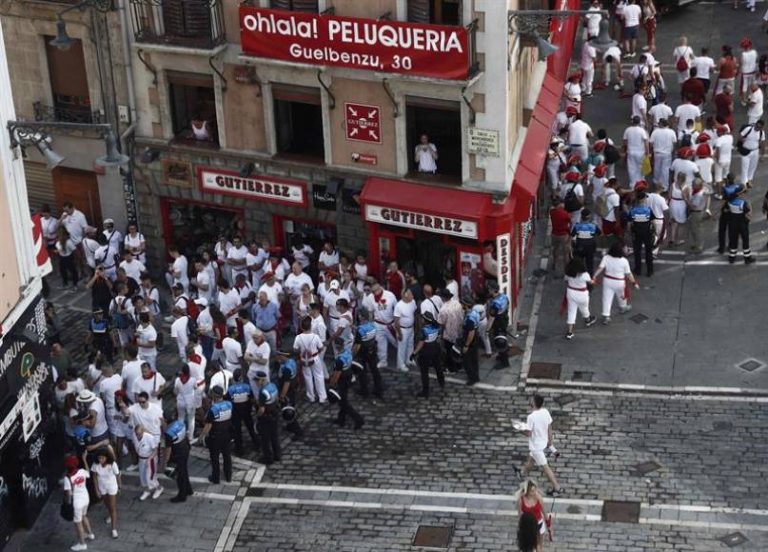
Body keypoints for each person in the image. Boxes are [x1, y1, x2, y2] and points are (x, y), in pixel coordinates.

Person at [513, 394, 564, 497]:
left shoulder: (531, 417)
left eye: (531, 400)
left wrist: (519, 429)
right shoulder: (545, 412)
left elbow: (529, 433)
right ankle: (522, 473)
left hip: (536, 447)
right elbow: (549, 427)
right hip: (543, 442)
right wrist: (550, 440)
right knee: (531, 459)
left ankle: (557, 488)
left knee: (546, 467)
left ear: (533, 403)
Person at [593, 242, 639, 323]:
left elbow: (600, 268)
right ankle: (623, 307)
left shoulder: (606, 257)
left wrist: (594, 276)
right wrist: (634, 283)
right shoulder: (624, 261)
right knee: (621, 296)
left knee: (606, 298)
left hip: (608, 281)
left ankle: (606, 316)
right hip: (619, 282)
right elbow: (628, 274)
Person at [198, 386, 233, 483]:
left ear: (214, 395)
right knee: (227, 456)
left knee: (215, 458)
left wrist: (201, 436)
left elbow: (208, 426)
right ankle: (228, 475)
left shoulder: (213, 410)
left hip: (215, 437)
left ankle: (216, 477)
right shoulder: (229, 404)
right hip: (227, 435)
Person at [362, 282, 398, 369]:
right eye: (374, 291)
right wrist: (370, 325)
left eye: (377, 289)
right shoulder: (370, 298)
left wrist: (397, 324)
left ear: (381, 287)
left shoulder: (390, 295)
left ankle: (407, 358)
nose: (376, 292)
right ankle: (383, 361)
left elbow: (397, 310)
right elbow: (370, 312)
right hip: (378, 324)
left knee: (397, 342)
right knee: (380, 344)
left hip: (390, 324)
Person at [63, 455, 94, 551]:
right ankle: (90, 534)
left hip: (77, 502)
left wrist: (67, 503)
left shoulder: (67, 478)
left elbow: (69, 494)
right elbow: (88, 473)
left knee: (78, 523)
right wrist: (84, 460)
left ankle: (82, 544)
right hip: (86, 498)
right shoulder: (82, 471)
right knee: (84, 516)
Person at [88, 448, 120, 539]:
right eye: (99, 458)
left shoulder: (112, 464)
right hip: (102, 487)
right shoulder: (95, 464)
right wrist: (96, 490)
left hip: (112, 486)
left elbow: (118, 475)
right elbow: (94, 477)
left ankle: (114, 529)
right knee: (107, 504)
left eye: (102, 458)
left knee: (113, 507)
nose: (100, 460)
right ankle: (110, 514)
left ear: (107, 457)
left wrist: (120, 486)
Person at [293, 316, 327, 402]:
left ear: (301, 327)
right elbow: (321, 348)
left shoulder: (298, 337)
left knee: (307, 377)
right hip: (315, 358)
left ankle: (311, 396)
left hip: (304, 359)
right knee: (319, 376)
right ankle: (322, 397)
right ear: (310, 326)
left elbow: (295, 349)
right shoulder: (315, 337)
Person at [329, 348, 365, 430]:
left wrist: (331, 385)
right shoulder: (347, 352)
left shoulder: (339, 360)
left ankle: (358, 420)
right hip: (348, 378)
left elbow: (336, 375)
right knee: (343, 401)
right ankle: (341, 419)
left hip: (342, 382)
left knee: (343, 403)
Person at [411, 310, 444, 398]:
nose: (421, 319)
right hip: (435, 349)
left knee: (424, 372)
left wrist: (414, 353)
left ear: (425, 320)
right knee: (438, 367)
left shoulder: (424, 330)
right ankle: (442, 383)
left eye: (422, 318)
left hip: (426, 352)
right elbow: (439, 337)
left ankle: (425, 391)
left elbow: (421, 343)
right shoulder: (437, 327)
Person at [227, 369, 259, 455]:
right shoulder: (247, 387)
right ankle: (257, 444)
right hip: (246, 410)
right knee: (250, 428)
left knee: (237, 430)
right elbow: (252, 399)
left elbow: (229, 402)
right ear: (241, 378)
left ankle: (239, 449)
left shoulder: (230, 389)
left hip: (236, 412)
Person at [562, 258, 595, 341]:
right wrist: (593, 281)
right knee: (584, 308)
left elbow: (565, 279)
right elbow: (591, 282)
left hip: (571, 293)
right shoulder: (585, 274)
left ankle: (570, 332)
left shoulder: (568, 273)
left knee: (571, 311)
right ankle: (587, 320)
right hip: (582, 294)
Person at [161, 418, 193, 503]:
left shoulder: (168, 433)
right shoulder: (180, 423)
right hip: (185, 448)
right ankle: (189, 489)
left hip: (178, 454)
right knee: (184, 470)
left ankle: (182, 495)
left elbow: (168, 449)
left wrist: (165, 462)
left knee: (180, 475)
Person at [132, 424, 163, 500]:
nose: (137, 436)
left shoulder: (149, 437)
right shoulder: (134, 436)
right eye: (136, 434)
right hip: (141, 459)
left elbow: (155, 449)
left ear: (143, 432)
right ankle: (147, 490)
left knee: (150, 477)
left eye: (139, 434)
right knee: (142, 476)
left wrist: (150, 459)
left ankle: (159, 488)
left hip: (150, 459)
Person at [628, 191, 656, 276]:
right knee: (648, 251)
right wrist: (655, 231)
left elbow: (629, 223)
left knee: (637, 252)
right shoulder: (648, 210)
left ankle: (638, 269)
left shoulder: (633, 210)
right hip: (647, 233)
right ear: (643, 199)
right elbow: (653, 222)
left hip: (636, 233)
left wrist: (630, 232)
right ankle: (650, 271)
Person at [255, 381, 282, 464]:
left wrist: (257, 415)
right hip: (274, 413)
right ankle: (277, 455)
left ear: (261, 380)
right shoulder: (273, 385)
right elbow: (277, 399)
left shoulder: (263, 392)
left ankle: (268, 458)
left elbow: (262, 409)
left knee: (265, 439)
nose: (256, 383)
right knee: (274, 436)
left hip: (266, 418)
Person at [726, 185, 754, 263]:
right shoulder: (743, 203)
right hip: (742, 224)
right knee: (745, 240)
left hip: (732, 224)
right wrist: (750, 205)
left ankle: (732, 257)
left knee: (733, 240)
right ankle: (747, 258)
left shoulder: (730, 202)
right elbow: (749, 214)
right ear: (740, 194)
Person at [276, 357, 304, 438]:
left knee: (288, 412)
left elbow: (286, 384)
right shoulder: (292, 361)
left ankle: (298, 431)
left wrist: (282, 396)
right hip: (292, 390)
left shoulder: (286, 369)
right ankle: (290, 426)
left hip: (287, 393)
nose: (278, 359)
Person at [518, 480, 548, 552]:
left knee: (539, 545)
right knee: (528, 545)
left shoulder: (538, 498)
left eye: (535, 490)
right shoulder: (521, 500)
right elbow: (520, 515)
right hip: (528, 526)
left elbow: (544, 513)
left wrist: (549, 525)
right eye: (532, 491)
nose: (534, 492)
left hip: (539, 523)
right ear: (527, 491)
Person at [570, 209, 601, 275]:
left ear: (581, 217)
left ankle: (579, 276)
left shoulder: (577, 226)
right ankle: (590, 279)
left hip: (579, 246)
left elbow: (572, 235)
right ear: (589, 217)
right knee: (589, 263)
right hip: (590, 247)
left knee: (579, 262)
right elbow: (599, 233)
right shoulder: (593, 226)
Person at [393, 289, 417, 372]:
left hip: (411, 328)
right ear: (405, 295)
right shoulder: (399, 305)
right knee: (402, 347)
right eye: (411, 294)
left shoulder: (413, 302)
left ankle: (409, 360)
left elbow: (413, 313)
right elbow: (396, 321)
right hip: (402, 329)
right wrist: (399, 333)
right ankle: (401, 364)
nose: (413, 296)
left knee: (410, 345)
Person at [460, 296, 480, 386]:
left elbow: (471, 333)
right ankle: (476, 375)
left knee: (467, 361)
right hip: (475, 339)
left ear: (466, 305)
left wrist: (466, 345)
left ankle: (472, 378)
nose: (461, 305)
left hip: (470, 340)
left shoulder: (469, 319)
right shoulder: (474, 312)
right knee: (474, 359)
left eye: (462, 304)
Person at [623, 116, 649, 186]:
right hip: (640, 152)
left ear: (632, 121)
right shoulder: (642, 131)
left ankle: (633, 183)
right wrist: (647, 152)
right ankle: (641, 182)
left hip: (631, 151)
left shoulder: (628, 130)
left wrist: (626, 149)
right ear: (639, 122)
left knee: (631, 168)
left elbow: (625, 141)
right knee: (640, 167)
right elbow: (646, 142)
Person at [739, 119, 765, 189]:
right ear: (755, 124)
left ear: (762, 127)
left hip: (755, 151)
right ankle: (743, 183)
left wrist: (762, 155)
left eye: (759, 127)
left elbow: (762, 144)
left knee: (752, 167)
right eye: (757, 126)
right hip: (746, 151)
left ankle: (749, 180)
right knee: (745, 168)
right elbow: (740, 136)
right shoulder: (748, 129)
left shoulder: (761, 133)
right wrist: (742, 140)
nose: (757, 128)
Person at [549, 199, 571, 275]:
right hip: (563, 235)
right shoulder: (565, 214)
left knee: (555, 249)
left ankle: (555, 262)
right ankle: (566, 268)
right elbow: (570, 221)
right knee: (566, 252)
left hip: (554, 234)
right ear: (559, 205)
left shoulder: (552, 212)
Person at [57, 227, 79, 291]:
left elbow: (75, 251)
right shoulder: (58, 241)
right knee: (62, 271)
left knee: (73, 271)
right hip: (62, 258)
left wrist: (76, 259)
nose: (59, 235)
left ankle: (75, 285)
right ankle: (65, 284)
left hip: (69, 258)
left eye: (61, 234)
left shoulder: (69, 242)